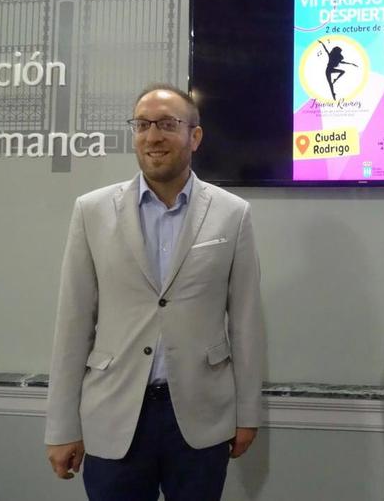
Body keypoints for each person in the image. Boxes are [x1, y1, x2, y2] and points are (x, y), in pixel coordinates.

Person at [44, 83, 265, 501]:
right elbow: (72, 324)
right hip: (113, 413)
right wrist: (61, 427)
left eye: (167, 124)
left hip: (201, 416)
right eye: (142, 125)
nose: (153, 136)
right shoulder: (91, 211)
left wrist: (247, 414)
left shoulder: (231, 214)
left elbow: (246, 323)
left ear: (194, 136)